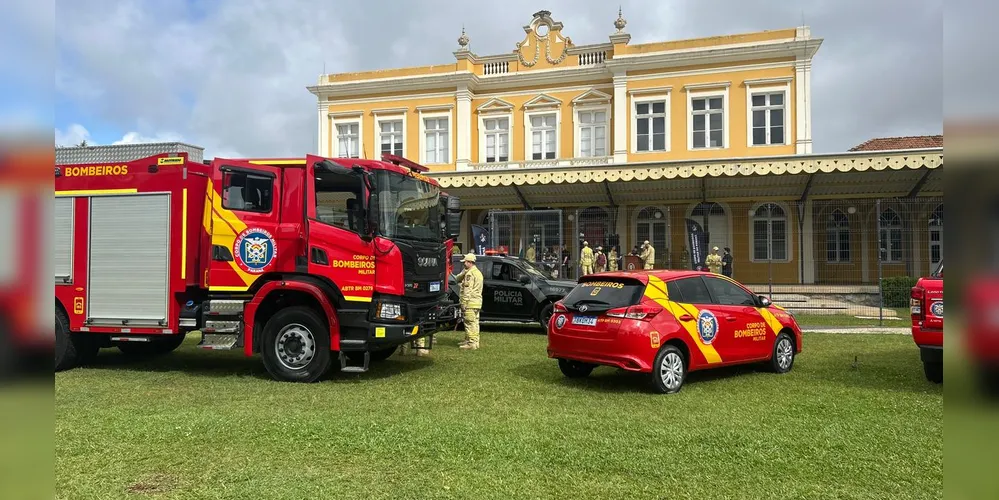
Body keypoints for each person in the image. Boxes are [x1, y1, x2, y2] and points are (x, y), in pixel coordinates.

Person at [453, 253, 484, 350]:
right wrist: (464, 272)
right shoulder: (477, 272)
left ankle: (471, 343)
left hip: (470, 302)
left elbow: (467, 290)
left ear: (470, 262)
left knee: (469, 323)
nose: (464, 264)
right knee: (475, 322)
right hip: (477, 302)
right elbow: (458, 278)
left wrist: (464, 303)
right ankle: (474, 341)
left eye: (465, 262)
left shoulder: (469, 274)